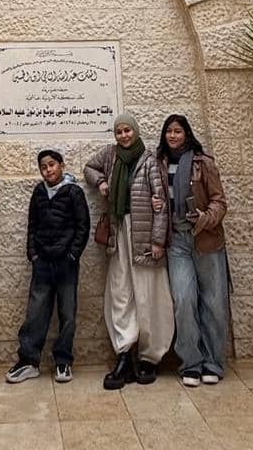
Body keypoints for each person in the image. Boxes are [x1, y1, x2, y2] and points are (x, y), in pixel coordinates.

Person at [84, 113, 173, 389]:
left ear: (135, 131)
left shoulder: (149, 161)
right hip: (119, 233)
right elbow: (89, 168)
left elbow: (161, 205)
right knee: (120, 293)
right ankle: (124, 353)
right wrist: (101, 183)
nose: (123, 136)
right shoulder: (111, 156)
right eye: (119, 131)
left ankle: (149, 357)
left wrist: (158, 241)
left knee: (149, 296)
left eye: (127, 130)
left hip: (144, 237)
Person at [156, 113, 229, 387]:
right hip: (177, 241)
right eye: (169, 131)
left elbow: (220, 202)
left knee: (214, 302)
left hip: (205, 239)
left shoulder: (203, 163)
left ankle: (213, 363)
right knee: (183, 300)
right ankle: (191, 363)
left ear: (186, 134)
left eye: (178, 131)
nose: (173, 136)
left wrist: (204, 218)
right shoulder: (159, 163)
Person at [6, 149, 91, 385]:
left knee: (67, 314)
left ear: (61, 165)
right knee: (36, 312)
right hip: (42, 262)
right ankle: (29, 361)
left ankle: (63, 361)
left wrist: (73, 254)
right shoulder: (39, 192)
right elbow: (32, 224)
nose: (48, 170)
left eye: (52, 165)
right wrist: (33, 254)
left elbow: (83, 226)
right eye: (43, 167)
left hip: (66, 263)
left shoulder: (73, 192)